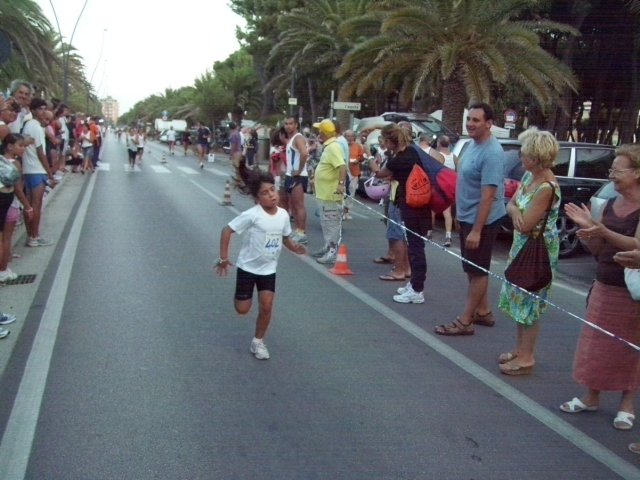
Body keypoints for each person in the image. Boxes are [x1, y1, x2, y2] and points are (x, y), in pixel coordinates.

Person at [560, 144, 640, 432]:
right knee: (596, 344)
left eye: (617, 170)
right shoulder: (607, 205)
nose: (612, 176)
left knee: (629, 349)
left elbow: (637, 245)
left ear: (637, 173)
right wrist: (587, 232)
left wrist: (602, 230)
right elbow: (598, 249)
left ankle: (626, 405)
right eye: (611, 170)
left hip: (631, 290)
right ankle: (591, 396)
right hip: (605, 283)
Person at [215, 158, 306, 360]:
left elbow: (284, 237)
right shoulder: (252, 215)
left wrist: (294, 247)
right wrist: (223, 258)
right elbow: (227, 230)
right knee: (242, 309)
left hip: (268, 270)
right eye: (265, 193)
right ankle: (241, 298)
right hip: (247, 268)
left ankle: (258, 342)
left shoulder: (283, 215)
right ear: (257, 198)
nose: (271, 195)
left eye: (272, 190)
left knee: (266, 307)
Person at [435, 102, 506, 334]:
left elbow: (488, 196)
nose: (470, 124)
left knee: (478, 269)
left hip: (483, 220)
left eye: (476, 120)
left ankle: (465, 321)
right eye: (469, 119)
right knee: (472, 268)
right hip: (467, 216)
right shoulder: (471, 145)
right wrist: (459, 214)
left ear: (489, 123)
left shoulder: (492, 153)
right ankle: (483, 311)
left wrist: (477, 229)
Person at [496, 128, 561, 375]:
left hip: (537, 252)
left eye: (523, 154)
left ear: (535, 157)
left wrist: (515, 213)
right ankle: (520, 349)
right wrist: (515, 212)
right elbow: (512, 205)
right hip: (522, 246)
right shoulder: (528, 176)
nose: (519, 157)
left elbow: (526, 224)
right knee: (519, 301)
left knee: (529, 304)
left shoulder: (546, 187)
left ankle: (527, 357)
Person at [22, 98, 57, 248]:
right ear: (33, 110)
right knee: (36, 205)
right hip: (37, 170)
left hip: (28, 170)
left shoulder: (28, 125)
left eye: (44, 109)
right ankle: (35, 236)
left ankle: (30, 236)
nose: (43, 112)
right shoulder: (36, 127)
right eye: (40, 109)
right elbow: (41, 153)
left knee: (29, 205)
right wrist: (50, 174)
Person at [312, 119, 347, 264]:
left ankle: (332, 251)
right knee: (326, 223)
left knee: (331, 223)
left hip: (331, 194)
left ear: (324, 133)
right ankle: (328, 246)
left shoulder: (333, 147)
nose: (318, 133)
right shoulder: (330, 146)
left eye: (319, 131)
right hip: (325, 193)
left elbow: (342, 166)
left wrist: (340, 184)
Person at [0, 134, 32, 281]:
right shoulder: (15, 164)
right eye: (20, 145)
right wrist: (28, 207)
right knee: (6, 239)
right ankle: (3, 270)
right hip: (10, 204)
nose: (23, 149)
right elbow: (18, 189)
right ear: (10, 146)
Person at [283, 116, 310, 244]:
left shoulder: (298, 138)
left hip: (298, 176)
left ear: (296, 125)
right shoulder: (292, 138)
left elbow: (304, 153)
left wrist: (299, 170)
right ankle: (298, 230)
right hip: (291, 175)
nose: (288, 126)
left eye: (290, 123)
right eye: (286, 124)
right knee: (293, 205)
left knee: (299, 205)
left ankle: (301, 232)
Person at [436, 135, 458, 246]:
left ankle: (429, 232)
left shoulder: (439, 156)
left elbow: (436, 170)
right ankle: (448, 235)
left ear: (439, 143)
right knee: (448, 212)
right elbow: (458, 171)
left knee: (433, 210)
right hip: (452, 186)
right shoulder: (454, 157)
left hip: (442, 186)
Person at [343, 129, 365, 221]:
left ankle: (347, 211)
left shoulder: (358, 146)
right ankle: (342, 211)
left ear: (354, 137)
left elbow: (362, 157)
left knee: (351, 191)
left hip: (354, 171)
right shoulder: (342, 145)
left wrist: (358, 160)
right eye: (348, 136)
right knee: (344, 191)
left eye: (352, 136)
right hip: (343, 171)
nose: (350, 138)